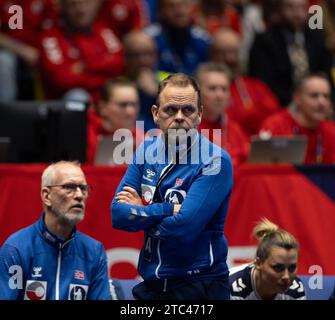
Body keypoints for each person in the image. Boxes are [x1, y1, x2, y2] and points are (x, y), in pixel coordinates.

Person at [111, 73, 233, 300]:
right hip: (152, 285)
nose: (179, 117)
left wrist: (143, 210)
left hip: (199, 286)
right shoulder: (146, 151)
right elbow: (117, 215)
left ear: (199, 115)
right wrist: (166, 210)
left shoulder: (215, 161)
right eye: (170, 110)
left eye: (188, 110)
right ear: (156, 114)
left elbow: (183, 229)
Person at [0, 161, 110, 300]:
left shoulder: (94, 252)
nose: (79, 195)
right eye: (69, 187)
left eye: (83, 188)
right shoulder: (16, 249)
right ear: (47, 196)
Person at [249, 0, 332, 106]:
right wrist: (296, 102)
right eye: (290, 7)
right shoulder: (265, 40)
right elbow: (262, 83)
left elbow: (325, 74)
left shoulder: (317, 38)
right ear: (280, 9)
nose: (297, 13)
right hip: (279, 104)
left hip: (317, 101)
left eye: (302, 7)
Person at [38, 0, 124, 102]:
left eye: (86, 3)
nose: (80, 10)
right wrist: (103, 72)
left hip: (105, 99)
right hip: (67, 106)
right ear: (62, 7)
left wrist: (86, 66)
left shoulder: (103, 30)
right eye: (73, 4)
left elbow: (119, 64)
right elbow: (62, 79)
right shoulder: (50, 37)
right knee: (77, 97)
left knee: (124, 91)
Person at [210, 28, 281, 137]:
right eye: (223, 53)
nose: (230, 59)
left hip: (259, 148)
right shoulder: (204, 91)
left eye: (234, 52)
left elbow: (276, 119)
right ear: (212, 55)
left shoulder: (256, 87)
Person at [259, 73, 335, 164]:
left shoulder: (331, 130)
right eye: (314, 96)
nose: (322, 102)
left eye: (326, 96)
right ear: (297, 98)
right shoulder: (275, 125)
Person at [229, 218, 306, 300]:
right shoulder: (232, 288)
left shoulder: (295, 290)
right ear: (258, 263)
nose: (286, 277)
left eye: (292, 268)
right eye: (278, 268)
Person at [196, 61, 250, 168]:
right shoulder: (184, 129)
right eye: (212, 88)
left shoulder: (235, 130)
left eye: (224, 89)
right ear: (196, 93)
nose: (219, 95)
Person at [86, 78, 145, 164]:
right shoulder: (84, 136)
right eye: (122, 105)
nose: (130, 111)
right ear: (103, 108)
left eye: (134, 104)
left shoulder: (142, 139)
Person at [145, 0, 211, 75]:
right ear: (160, 10)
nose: (180, 11)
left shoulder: (203, 39)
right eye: (171, 6)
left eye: (184, 5)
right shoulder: (149, 39)